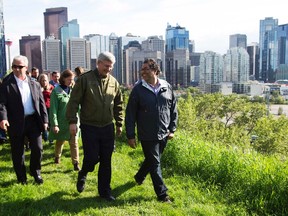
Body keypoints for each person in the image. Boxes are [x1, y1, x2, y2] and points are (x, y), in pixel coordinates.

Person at [66, 51, 124, 201]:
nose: (109, 69)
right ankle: (83, 172)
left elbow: (119, 104)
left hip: (107, 127)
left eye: (111, 67)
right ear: (98, 63)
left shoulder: (114, 82)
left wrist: (119, 123)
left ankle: (104, 191)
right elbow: (73, 102)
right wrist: (72, 121)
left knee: (106, 160)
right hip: (89, 126)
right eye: (106, 66)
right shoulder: (85, 80)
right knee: (91, 158)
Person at [125, 58, 178, 203]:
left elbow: (173, 109)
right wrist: (130, 135)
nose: (142, 72)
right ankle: (162, 194)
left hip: (164, 133)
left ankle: (139, 176)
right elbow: (130, 114)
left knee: (153, 160)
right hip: (147, 133)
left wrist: (172, 129)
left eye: (146, 69)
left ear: (155, 70)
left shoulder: (166, 87)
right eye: (141, 70)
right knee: (155, 164)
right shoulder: (138, 89)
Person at [0, 55, 48, 185]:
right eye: (14, 66)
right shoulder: (7, 83)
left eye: (19, 67)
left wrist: (45, 121)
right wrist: (3, 119)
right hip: (15, 122)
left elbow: (41, 103)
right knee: (18, 151)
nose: (16, 69)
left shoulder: (34, 83)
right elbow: (2, 103)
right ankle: (21, 178)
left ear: (26, 67)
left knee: (38, 148)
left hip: (33, 120)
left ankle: (36, 172)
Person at [49, 69, 80, 171]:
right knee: (60, 141)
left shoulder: (74, 90)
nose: (71, 81)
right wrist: (55, 124)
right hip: (61, 122)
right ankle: (57, 156)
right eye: (69, 79)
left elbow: (79, 106)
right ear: (63, 79)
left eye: (72, 79)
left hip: (73, 121)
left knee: (74, 142)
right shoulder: (56, 91)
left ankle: (76, 163)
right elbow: (53, 109)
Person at [38, 73, 54, 143]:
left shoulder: (51, 87)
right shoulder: (38, 88)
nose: (44, 82)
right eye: (42, 80)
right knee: (43, 123)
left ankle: (51, 138)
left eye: (45, 80)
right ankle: (45, 137)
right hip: (41, 108)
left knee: (50, 123)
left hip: (50, 107)